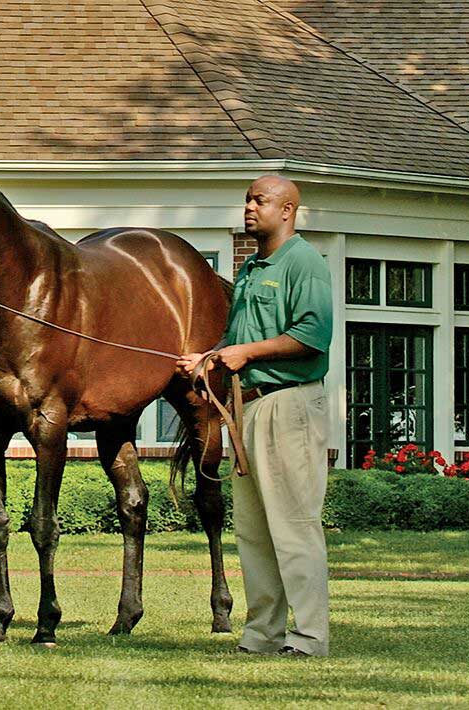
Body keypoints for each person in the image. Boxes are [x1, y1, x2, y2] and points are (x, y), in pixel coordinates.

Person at [177, 175, 333, 657]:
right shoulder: (249, 268)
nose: (249, 207)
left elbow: (313, 334)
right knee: (254, 529)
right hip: (247, 408)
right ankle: (263, 635)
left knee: (293, 523)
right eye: (247, 199)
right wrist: (209, 356)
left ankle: (308, 638)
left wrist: (246, 353)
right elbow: (239, 335)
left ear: (287, 210)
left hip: (290, 404)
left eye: (260, 200)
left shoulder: (304, 262)